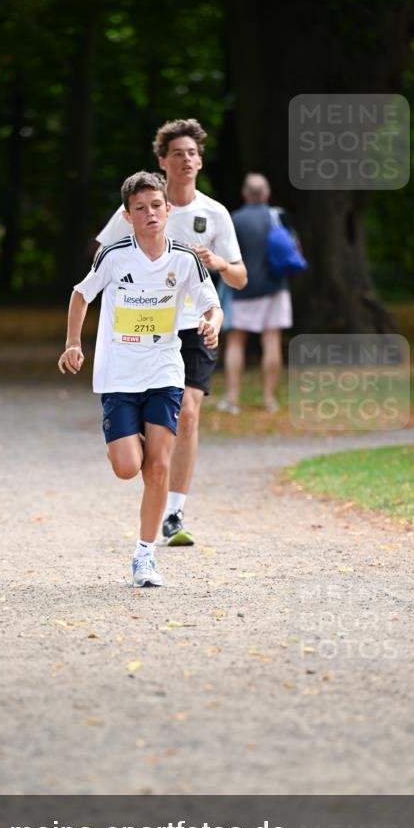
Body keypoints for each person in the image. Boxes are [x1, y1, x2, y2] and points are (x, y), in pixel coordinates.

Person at [58, 171, 222, 588]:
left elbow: (212, 304)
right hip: (118, 375)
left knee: (159, 466)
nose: (149, 214)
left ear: (168, 210)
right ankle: (139, 441)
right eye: (139, 208)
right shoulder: (114, 256)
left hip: (164, 371)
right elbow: (81, 295)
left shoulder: (184, 258)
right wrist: (73, 344)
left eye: (155, 206)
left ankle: (145, 556)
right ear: (128, 216)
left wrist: (212, 323)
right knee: (128, 467)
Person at [96, 118, 247, 547]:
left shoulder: (214, 213)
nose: (187, 159)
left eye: (193, 153)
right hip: (143, 327)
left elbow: (240, 278)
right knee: (142, 445)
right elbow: (103, 255)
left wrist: (216, 263)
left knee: (189, 412)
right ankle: (136, 441)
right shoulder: (144, 206)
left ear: (200, 162)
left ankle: (174, 513)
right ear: (162, 161)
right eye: (178, 153)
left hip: (194, 325)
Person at [217, 173, 293, 415]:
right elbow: (294, 249)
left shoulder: (234, 220)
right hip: (275, 288)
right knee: (271, 341)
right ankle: (269, 400)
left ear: (245, 194)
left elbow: (224, 255)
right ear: (267, 194)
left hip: (243, 289)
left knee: (236, 342)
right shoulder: (278, 217)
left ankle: (233, 398)